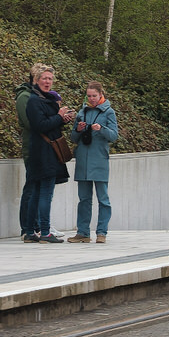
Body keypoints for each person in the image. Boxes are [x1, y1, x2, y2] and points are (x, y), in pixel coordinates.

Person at [14, 63, 74, 243]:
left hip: (42, 151)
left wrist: (62, 119)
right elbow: (40, 125)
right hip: (42, 152)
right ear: (36, 80)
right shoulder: (33, 100)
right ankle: (45, 231)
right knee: (44, 192)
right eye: (44, 78)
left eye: (50, 79)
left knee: (38, 191)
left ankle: (31, 231)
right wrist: (58, 116)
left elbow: (49, 123)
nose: (47, 81)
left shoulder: (44, 99)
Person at [69, 82, 118, 243]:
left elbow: (114, 136)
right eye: (89, 96)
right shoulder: (82, 112)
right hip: (83, 160)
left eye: (94, 96)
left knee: (103, 198)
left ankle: (102, 232)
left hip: (99, 160)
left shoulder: (109, 112)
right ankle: (83, 232)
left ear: (100, 94)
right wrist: (78, 129)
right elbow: (73, 138)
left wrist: (101, 128)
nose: (92, 99)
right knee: (84, 199)